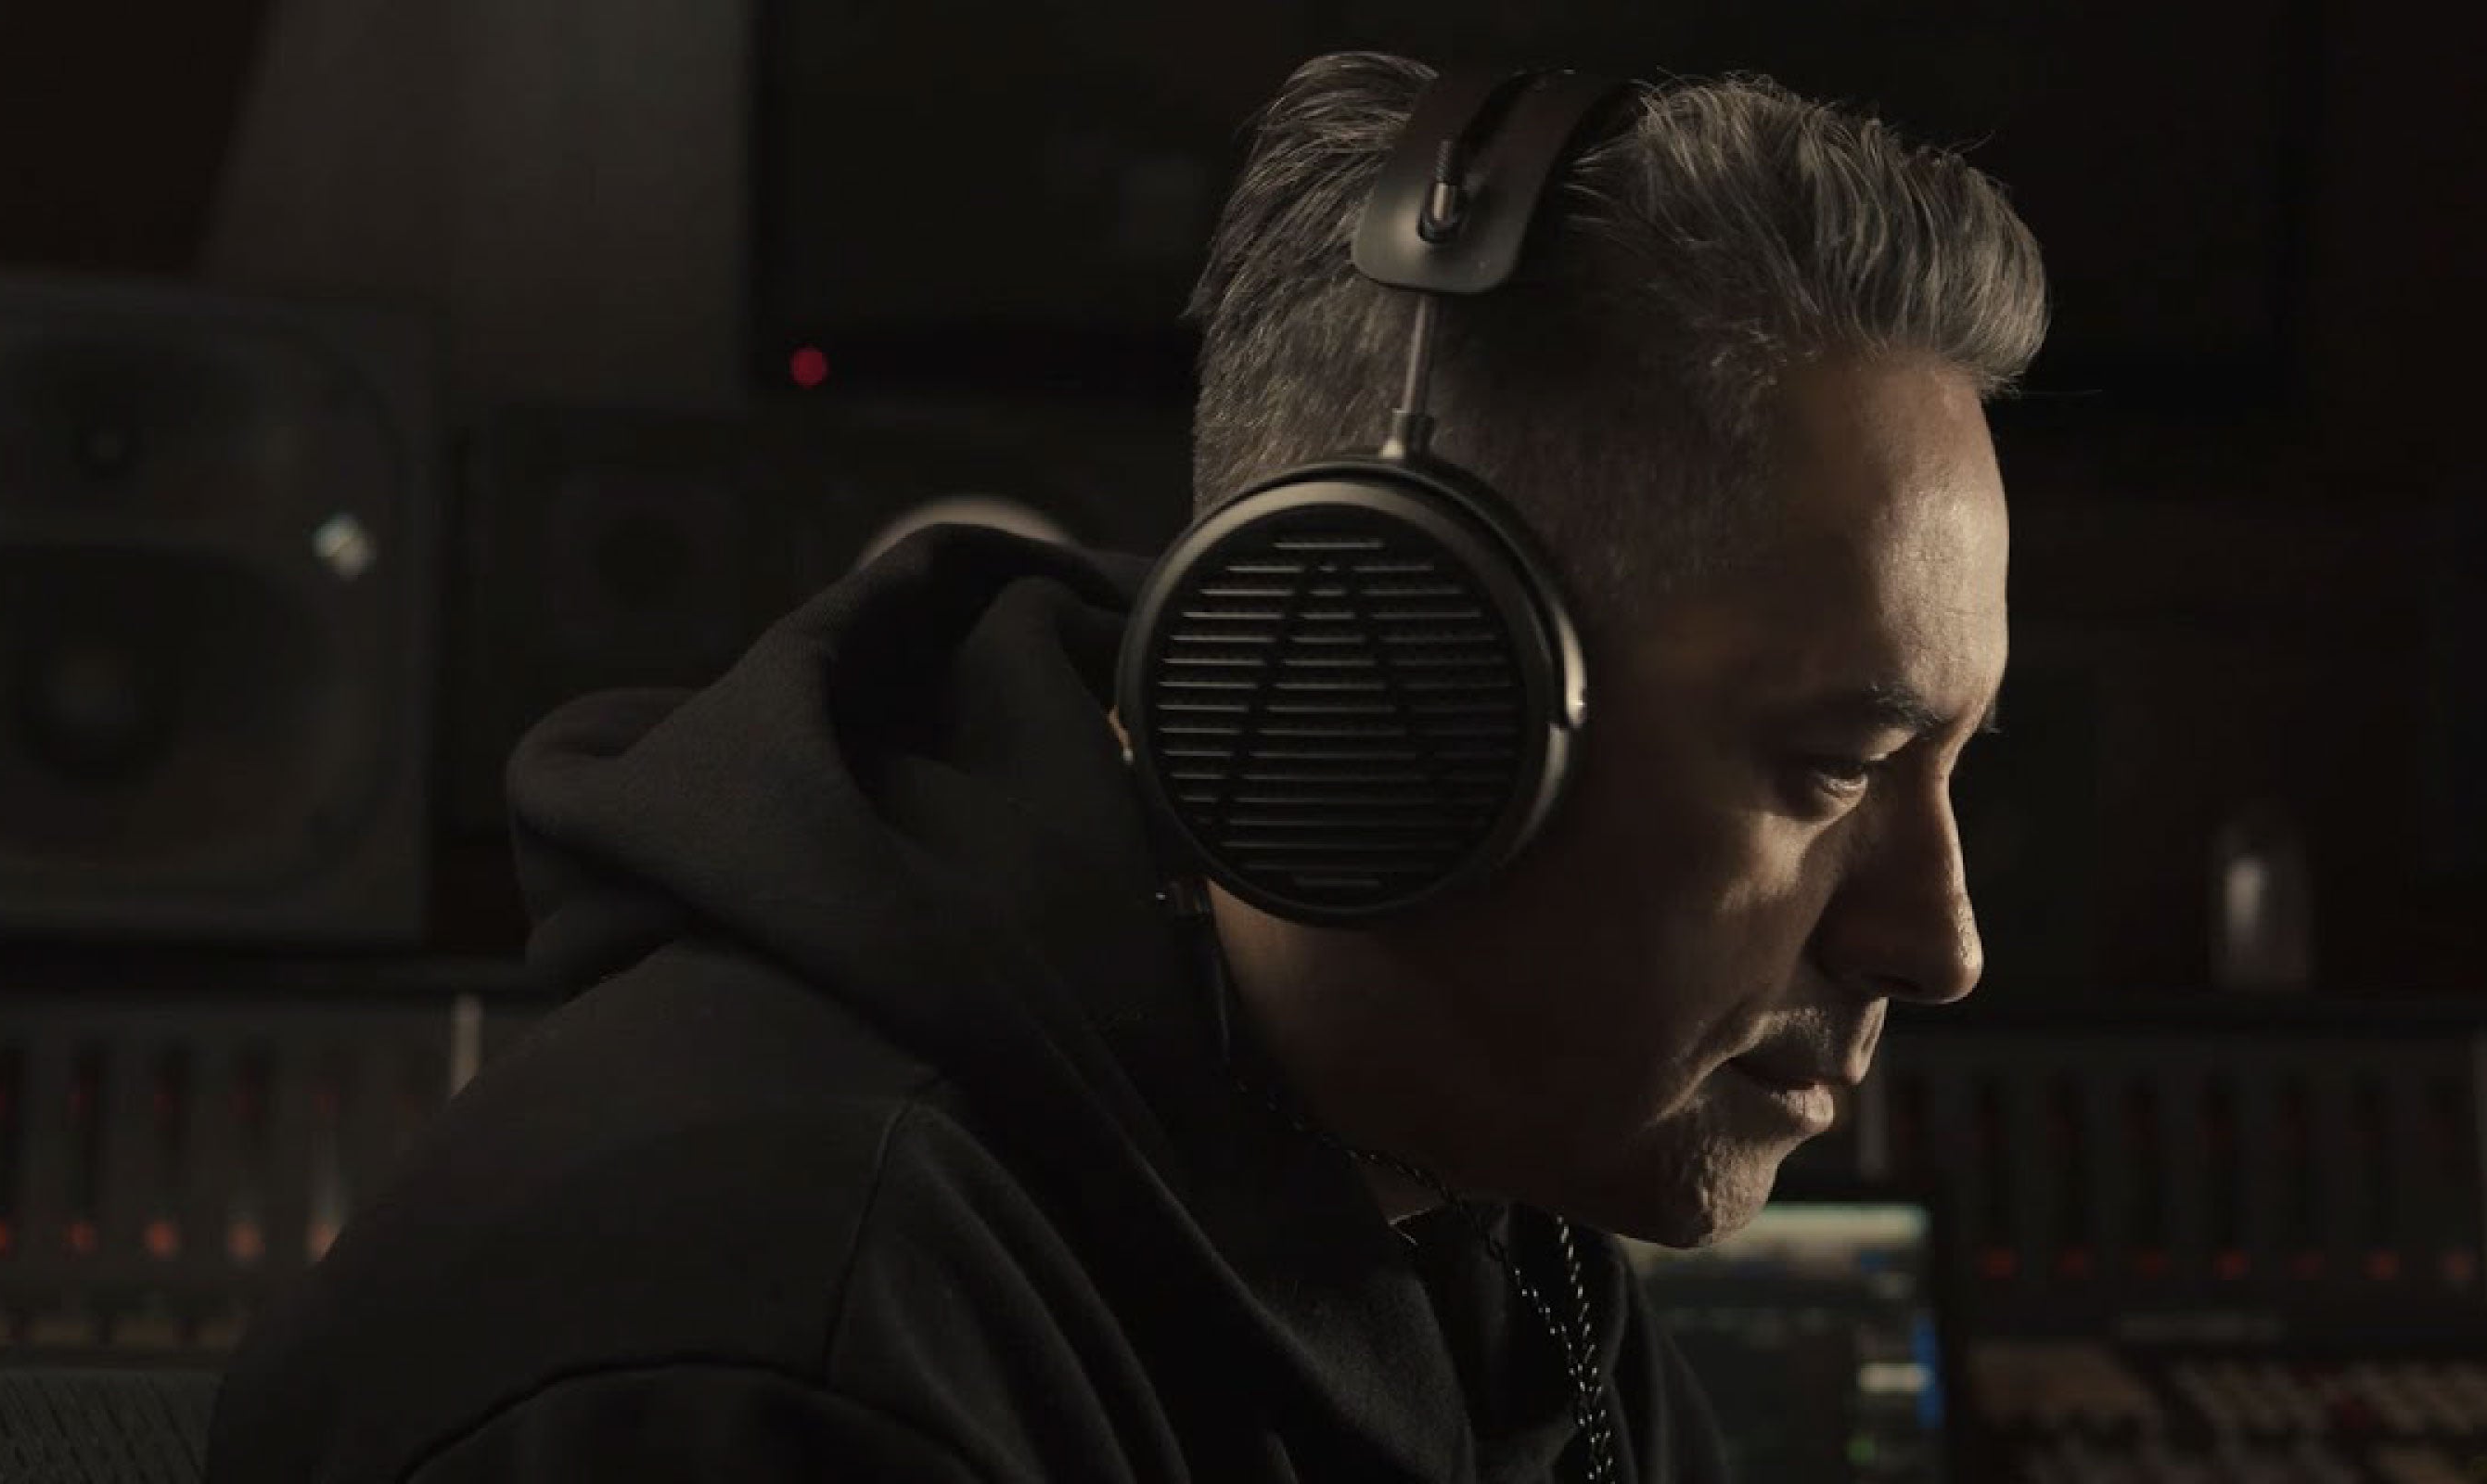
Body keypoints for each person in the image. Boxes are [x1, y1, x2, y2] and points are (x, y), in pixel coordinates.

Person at [204, 48, 2044, 1484]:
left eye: (1950, 766)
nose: (1937, 937)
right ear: (1383, 696)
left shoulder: (1479, 1213)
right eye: (1836, 766)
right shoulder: (764, 1357)